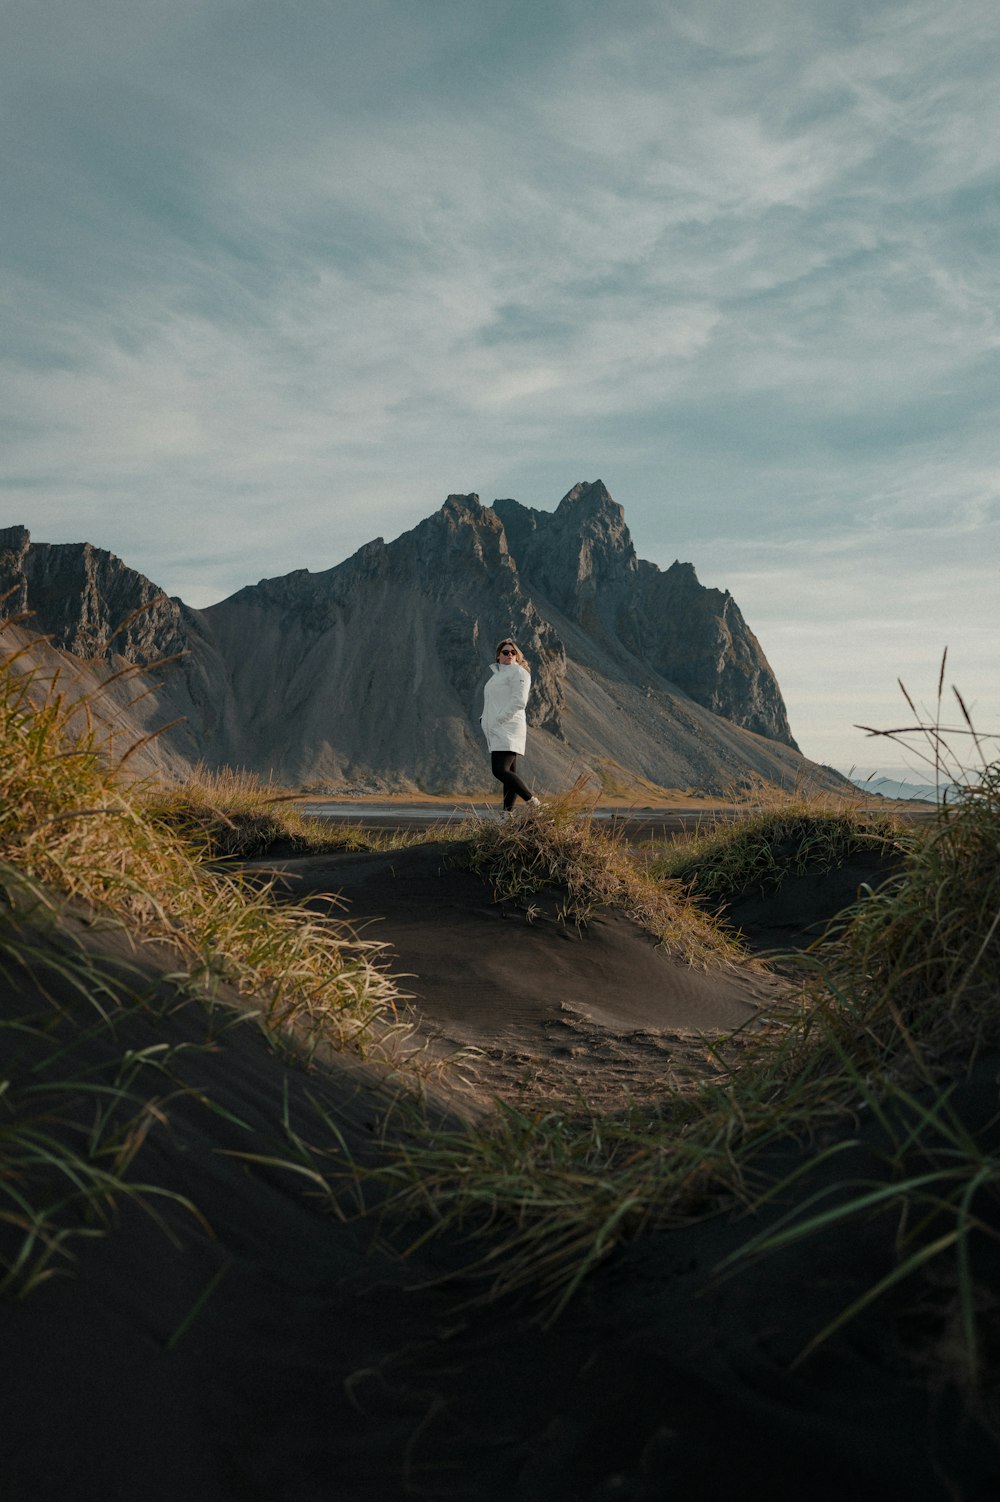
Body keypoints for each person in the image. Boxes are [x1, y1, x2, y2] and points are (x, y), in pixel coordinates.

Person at [480, 637, 542, 816]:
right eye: (505, 652)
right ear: (498, 656)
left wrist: (499, 719)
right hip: (497, 728)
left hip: (507, 727)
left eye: (513, 652)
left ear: (517, 656)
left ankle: (534, 803)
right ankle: (507, 815)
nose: (509, 655)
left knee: (499, 770)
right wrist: (484, 718)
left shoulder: (519, 673)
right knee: (509, 772)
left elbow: (519, 701)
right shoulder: (497, 676)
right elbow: (494, 702)